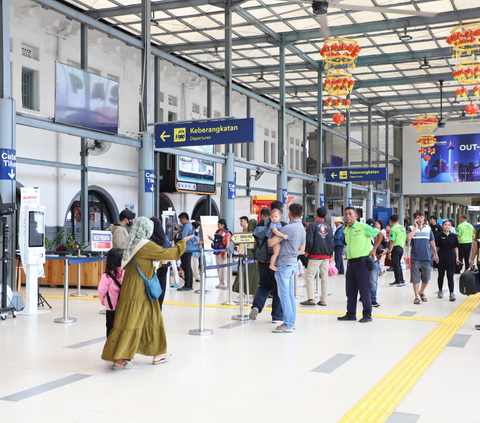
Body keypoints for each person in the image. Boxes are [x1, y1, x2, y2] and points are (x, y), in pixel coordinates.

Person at [101, 217, 194, 370]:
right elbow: (170, 253)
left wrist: (157, 263)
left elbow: (143, 263)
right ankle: (120, 360)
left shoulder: (131, 244)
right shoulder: (145, 245)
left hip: (132, 289)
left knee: (150, 318)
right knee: (133, 322)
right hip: (140, 290)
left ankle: (158, 353)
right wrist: (182, 242)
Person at [338, 207, 383, 323]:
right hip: (351, 263)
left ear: (356, 216)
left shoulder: (363, 227)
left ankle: (367, 315)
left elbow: (380, 234)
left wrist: (374, 250)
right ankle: (351, 314)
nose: (347, 216)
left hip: (362, 263)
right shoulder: (346, 230)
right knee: (350, 290)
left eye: (350, 214)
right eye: (346, 214)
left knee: (364, 290)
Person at [268, 203, 306, 333]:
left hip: (283, 264)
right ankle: (291, 322)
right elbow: (302, 249)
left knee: (284, 295)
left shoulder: (287, 228)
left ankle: (288, 324)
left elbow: (271, 242)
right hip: (293, 263)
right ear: (301, 214)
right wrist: (292, 254)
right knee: (290, 295)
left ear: (289, 214)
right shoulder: (302, 228)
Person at [249, 201, 284, 324]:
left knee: (264, 286)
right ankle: (277, 316)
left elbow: (256, 244)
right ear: (282, 212)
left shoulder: (261, 223)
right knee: (279, 287)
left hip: (263, 260)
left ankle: (256, 307)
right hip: (277, 262)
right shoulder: (282, 226)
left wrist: (257, 259)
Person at [300, 207, 333, 307]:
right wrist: (330, 254)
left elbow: (309, 240)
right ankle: (323, 300)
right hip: (326, 256)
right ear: (326, 216)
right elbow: (331, 241)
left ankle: (311, 299)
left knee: (309, 276)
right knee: (324, 278)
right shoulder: (329, 227)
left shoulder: (312, 226)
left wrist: (307, 252)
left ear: (316, 214)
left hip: (315, 254)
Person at [406, 211, 438, 305]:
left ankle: (421, 291)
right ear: (415, 219)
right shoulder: (411, 228)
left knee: (426, 277)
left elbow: (432, 241)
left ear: (424, 218)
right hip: (415, 257)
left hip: (426, 257)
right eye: (418, 218)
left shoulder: (428, 228)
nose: (420, 219)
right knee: (415, 278)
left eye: (421, 217)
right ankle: (416, 297)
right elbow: (408, 237)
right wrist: (416, 227)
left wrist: (435, 254)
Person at [97, 248, 124, 336]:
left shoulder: (107, 275)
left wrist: (102, 299)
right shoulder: (126, 273)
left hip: (111, 306)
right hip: (124, 305)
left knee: (111, 327)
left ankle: (111, 345)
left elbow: (101, 290)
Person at [435, 219, 461, 301]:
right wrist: (435, 255)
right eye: (445, 224)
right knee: (441, 275)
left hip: (451, 256)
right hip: (441, 255)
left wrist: (457, 258)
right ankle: (440, 291)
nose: (447, 226)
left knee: (450, 275)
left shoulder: (453, 236)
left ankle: (452, 293)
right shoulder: (439, 235)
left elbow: (456, 247)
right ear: (442, 226)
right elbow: (435, 246)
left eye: (449, 225)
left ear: (451, 226)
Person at [150, 216, 172, 309]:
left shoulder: (149, 237)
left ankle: (152, 308)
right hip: (164, 265)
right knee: (162, 286)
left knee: (151, 286)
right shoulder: (165, 237)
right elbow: (170, 248)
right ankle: (159, 307)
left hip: (152, 266)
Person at [233, 218, 259, 296]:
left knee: (243, 273)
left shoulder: (246, 234)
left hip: (246, 254)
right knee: (255, 274)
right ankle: (254, 291)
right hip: (254, 255)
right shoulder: (257, 233)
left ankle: (243, 290)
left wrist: (241, 255)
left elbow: (242, 245)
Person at [366, 219, 388, 307]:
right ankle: (364, 296)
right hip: (363, 259)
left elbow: (385, 242)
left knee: (373, 281)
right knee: (363, 280)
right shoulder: (362, 235)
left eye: (373, 226)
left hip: (374, 260)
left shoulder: (377, 234)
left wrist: (387, 249)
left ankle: (373, 299)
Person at [175, 212, 196, 291]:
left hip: (186, 249)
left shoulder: (186, 226)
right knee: (188, 267)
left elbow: (183, 238)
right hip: (189, 248)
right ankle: (189, 285)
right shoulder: (190, 225)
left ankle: (187, 285)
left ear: (184, 219)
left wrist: (177, 237)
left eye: (180, 220)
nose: (180, 222)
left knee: (186, 266)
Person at [208, 219, 232, 289]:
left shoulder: (227, 233)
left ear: (223, 225)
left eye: (219, 224)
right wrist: (212, 239)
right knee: (219, 269)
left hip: (223, 253)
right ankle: (220, 283)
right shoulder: (218, 232)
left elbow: (227, 244)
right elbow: (217, 242)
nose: (218, 226)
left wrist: (225, 253)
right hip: (217, 252)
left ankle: (225, 284)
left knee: (224, 268)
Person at [388, 215, 407, 287]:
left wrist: (390, 251)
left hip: (395, 248)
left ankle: (398, 281)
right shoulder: (402, 228)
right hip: (401, 248)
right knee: (398, 264)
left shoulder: (393, 229)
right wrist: (403, 247)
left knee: (395, 265)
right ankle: (402, 280)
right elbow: (405, 238)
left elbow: (392, 241)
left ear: (391, 221)